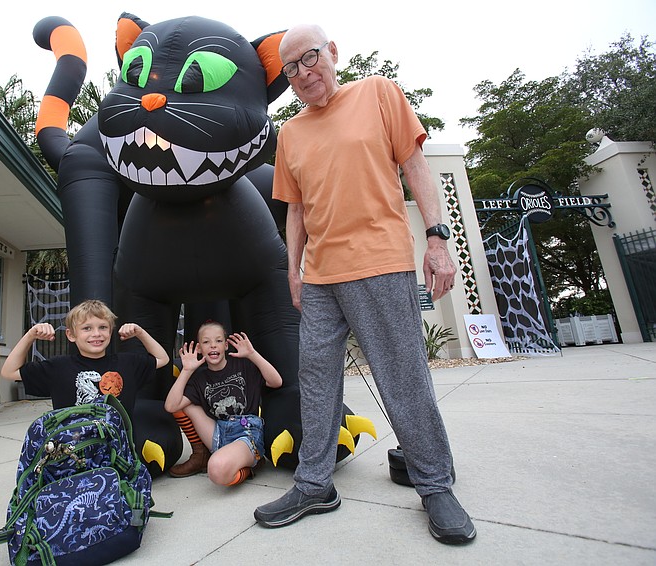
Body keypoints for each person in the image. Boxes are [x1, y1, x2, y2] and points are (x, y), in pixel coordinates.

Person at [252, 24, 476, 544]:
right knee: (316, 380)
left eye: (310, 59)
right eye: (291, 69)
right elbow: (297, 207)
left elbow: (416, 165)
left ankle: (435, 483)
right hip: (322, 277)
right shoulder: (290, 133)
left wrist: (438, 240)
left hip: (380, 261)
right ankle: (314, 483)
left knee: (402, 377)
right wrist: (294, 269)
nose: (304, 74)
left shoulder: (378, 92)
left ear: (332, 52)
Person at [1, 299, 169, 417]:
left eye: (103, 327)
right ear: (71, 335)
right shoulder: (58, 367)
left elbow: (162, 359)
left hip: (117, 449)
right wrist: (30, 335)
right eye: (87, 328)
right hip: (74, 450)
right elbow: (9, 371)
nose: (96, 334)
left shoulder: (128, 363)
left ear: (110, 332)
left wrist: (140, 332)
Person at [164, 321, 282, 486]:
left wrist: (251, 354)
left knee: (217, 471)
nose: (213, 345)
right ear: (199, 349)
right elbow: (171, 406)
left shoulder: (243, 365)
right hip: (218, 432)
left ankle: (248, 466)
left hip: (246, 432)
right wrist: (186, 370)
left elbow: (276, 381)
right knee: (183, 403)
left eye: (218, 341)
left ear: (226, 345)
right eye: (206, 342)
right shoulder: (199, 378)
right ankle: (201, 455)